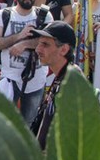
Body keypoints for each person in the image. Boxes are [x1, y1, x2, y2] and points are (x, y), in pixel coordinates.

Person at [0, 0, 50, 124]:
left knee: (28, 123)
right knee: (2, 123)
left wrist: (25, 44)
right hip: (9, 79)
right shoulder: (5, 15)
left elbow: (50, 42)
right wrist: (18, 36)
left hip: (36, 80)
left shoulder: (45, 15)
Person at [30, 21, 80, 149]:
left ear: (64, 49)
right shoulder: (64, 77)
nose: (37, 49)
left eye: (45, 44)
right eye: (39, 43)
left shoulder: (72, 83)